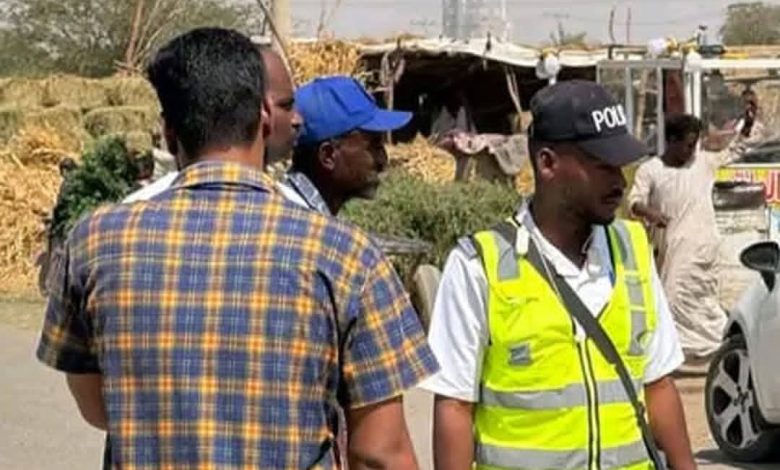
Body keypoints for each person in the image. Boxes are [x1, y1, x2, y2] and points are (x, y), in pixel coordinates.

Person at [36, 27, 437, 470]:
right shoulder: (347, 256)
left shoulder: (95, 241)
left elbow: (97, 406)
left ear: (168, 132)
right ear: (264, 116)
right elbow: (380, 453)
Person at [423, 80, 696, 470]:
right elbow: (454, 406)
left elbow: (659, 385)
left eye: (620, 165)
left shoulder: (633, 250)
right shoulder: (478, 265)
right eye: (602, 165)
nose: (620, 181)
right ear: (547, 163)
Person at [629, 113, 754, 364]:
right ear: (672, 141)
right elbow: (635, 202)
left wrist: (748, 125)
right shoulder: (651, 170)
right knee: (680, 302)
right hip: (672, 248)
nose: (691, 150)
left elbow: (736, 149)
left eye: (694, 144)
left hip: (703, 247)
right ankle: (719, 344)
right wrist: (651, 214)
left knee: (688, 298)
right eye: (687, 145)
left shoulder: (703, 163)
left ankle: (715, 347)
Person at [122, 45, 302, 203]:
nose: (297, 119)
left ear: (168, 133)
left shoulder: (122, 222)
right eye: (286, 105)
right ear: (265, 115)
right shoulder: (306, 223)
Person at [278, 75, 411, 215]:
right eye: (374, 146)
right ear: (328, 156)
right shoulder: (298, 221)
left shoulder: (286, 207)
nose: (383, 160)